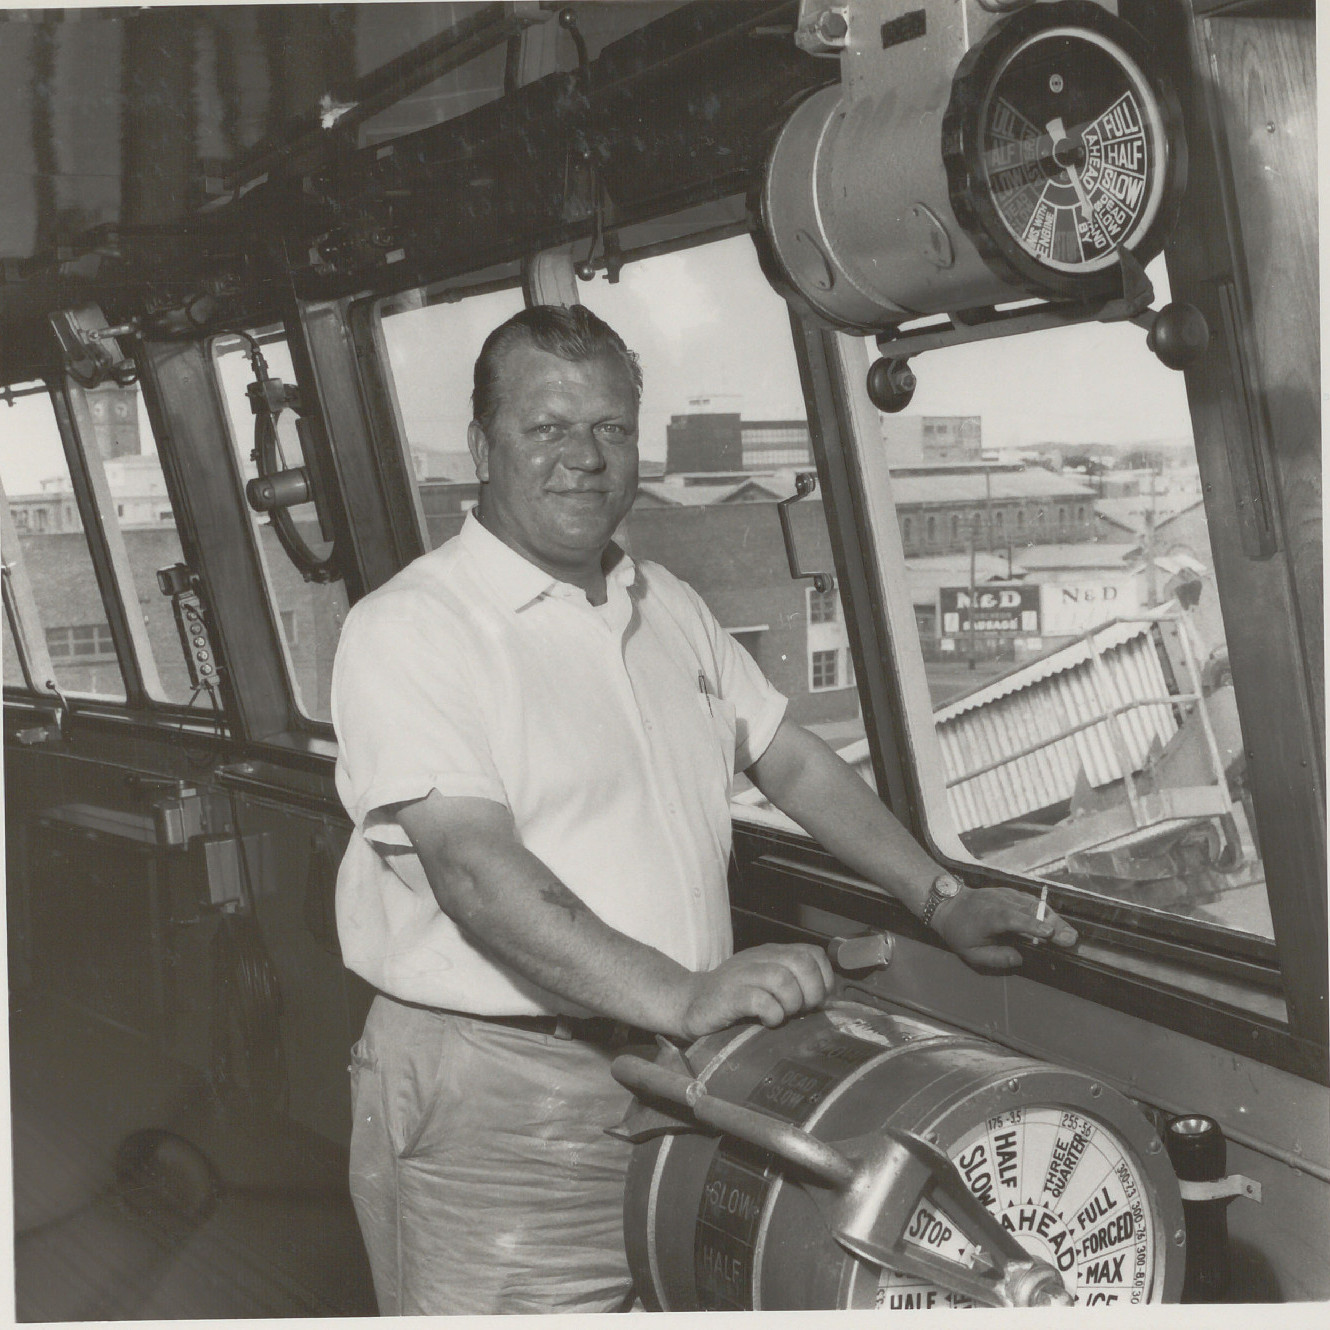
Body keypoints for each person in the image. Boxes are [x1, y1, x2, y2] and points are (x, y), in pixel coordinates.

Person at [330, 304, 1076, 1316]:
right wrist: (683, 996)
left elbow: (791, 757)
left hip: (681, 1080)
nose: (584, 458)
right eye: (547, 428)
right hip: (501, 1096)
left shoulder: (662, 602)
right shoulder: (413, 628)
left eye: (609, 428)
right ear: (481, 447)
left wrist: (940, 896)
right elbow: (471, 871)